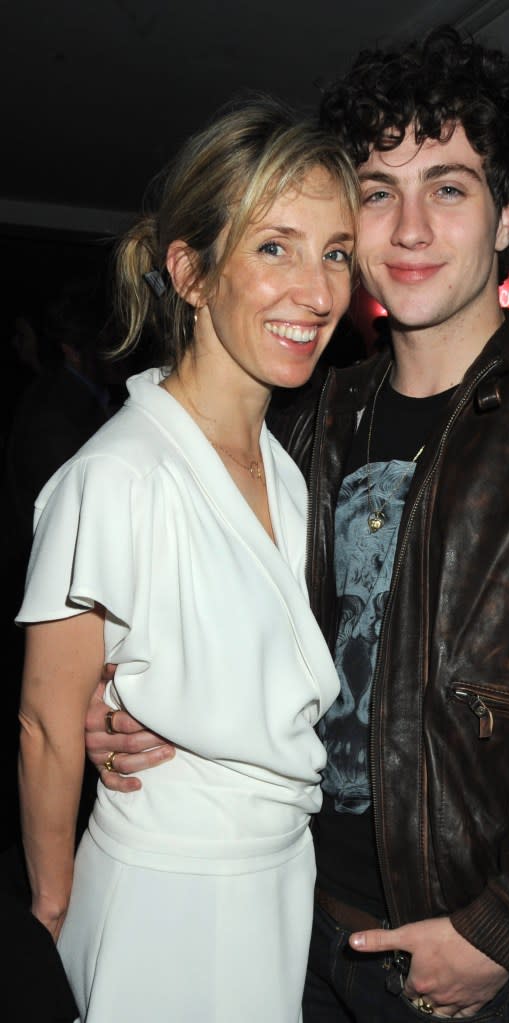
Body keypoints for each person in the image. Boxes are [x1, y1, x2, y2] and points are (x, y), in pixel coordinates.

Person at [84, 28, 509, 1021]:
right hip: (274, 889)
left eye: (448, 189)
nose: (409, 228)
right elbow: (234, 607)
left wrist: (505, 924)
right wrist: (124, 698)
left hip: (447, 934)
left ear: (505, 215)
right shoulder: (312, 412)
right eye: (377, 191)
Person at [17, 96, 358, 1021]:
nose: (318, 290)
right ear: (192, 271)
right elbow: (48, 723)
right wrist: (50, 912)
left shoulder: (286, 473)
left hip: (278, 877)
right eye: (275, 247)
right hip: (166, 891)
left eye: (334, 251)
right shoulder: (116, 474)